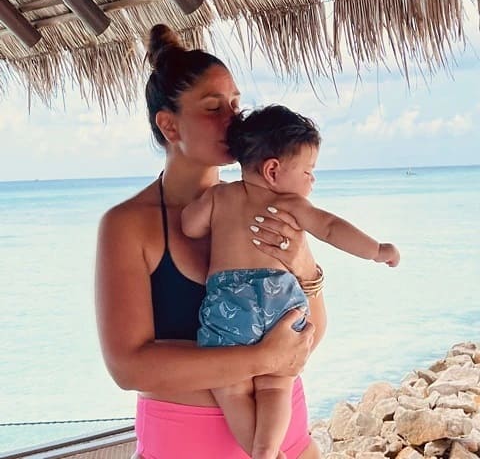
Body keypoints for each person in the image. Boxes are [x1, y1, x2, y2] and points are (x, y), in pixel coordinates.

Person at [95, 24, 326, 459]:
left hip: (289, 440)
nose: (233, 119)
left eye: (236, 104)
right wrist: (261, 360)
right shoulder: (128, 225)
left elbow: (307, 334)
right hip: (185, 446)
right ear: (169, 125)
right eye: (212, 107)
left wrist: (307, 267)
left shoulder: (269, 204)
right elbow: (129, 366)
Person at [181, 105, 400, 459]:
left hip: (230, 311)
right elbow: (331, 228)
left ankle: (261, 452)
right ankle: (267, 450)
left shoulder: (221, 196)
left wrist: (203, 210)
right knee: (276, 384)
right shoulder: (291, 206)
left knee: (231, 389)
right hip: (279, 307)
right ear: (273, 170)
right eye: (309, 171)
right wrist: (376, 250)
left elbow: (189, 226)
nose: (312, 180)